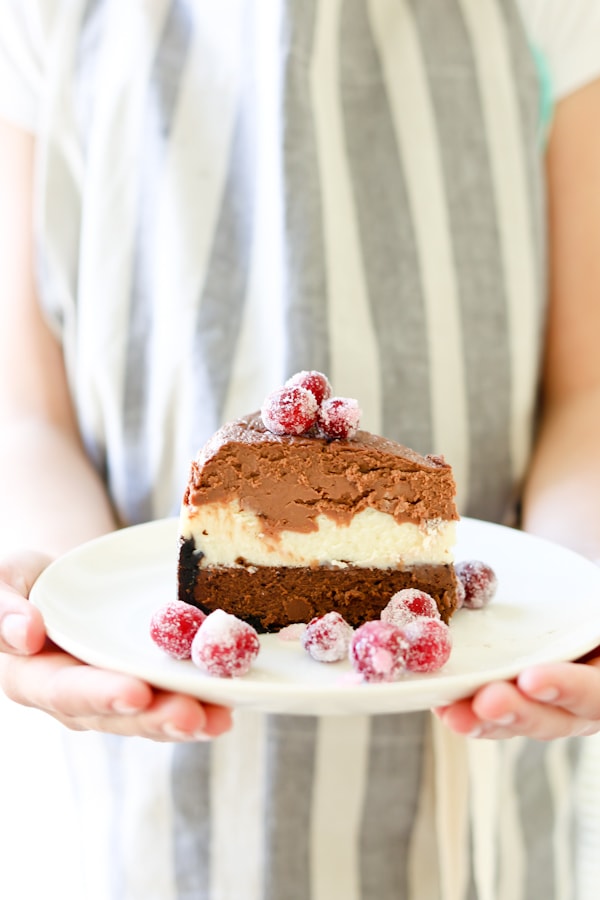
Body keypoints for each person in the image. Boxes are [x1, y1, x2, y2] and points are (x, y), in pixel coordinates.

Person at [1, 0, 600, 897]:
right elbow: (27, 412)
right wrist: (63, 593)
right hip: (158, 785)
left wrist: (582, 587)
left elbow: (585, 393)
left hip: (479, 766)